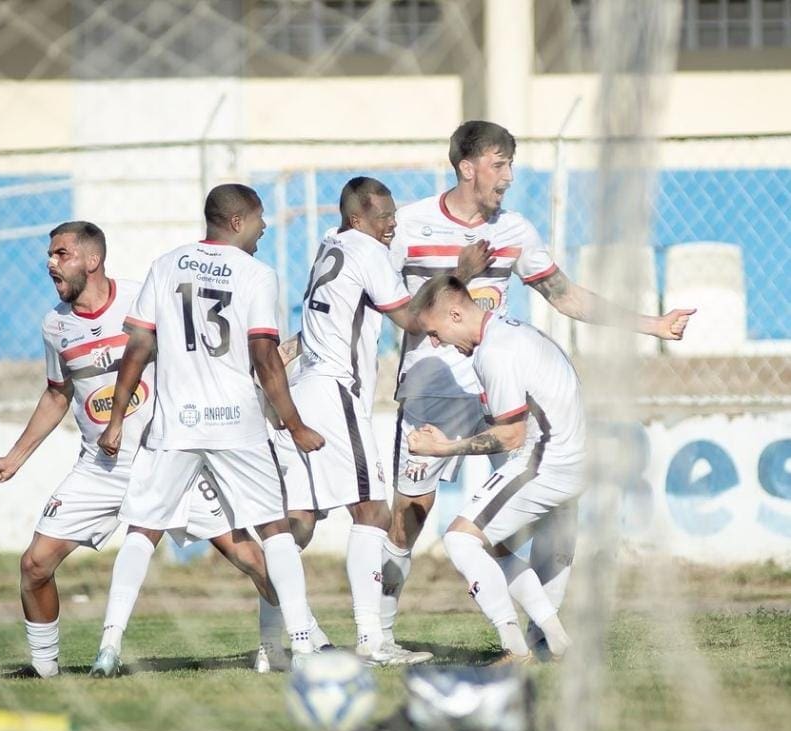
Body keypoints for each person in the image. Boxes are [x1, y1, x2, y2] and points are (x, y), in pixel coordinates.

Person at [382, 120, 696, 647]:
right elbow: (387, 304)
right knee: (411, 514)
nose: (508, 176)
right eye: (498, 164)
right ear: (466, 167)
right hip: (434, 387)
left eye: (511, 163)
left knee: (548, 512)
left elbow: (565, 295)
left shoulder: (515, 230)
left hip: (504, 390)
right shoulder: (410, 225)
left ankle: (541, 636)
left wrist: (651, 323)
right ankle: (379, 635)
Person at [0, 221, 281, 678]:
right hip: (102, 466)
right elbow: (57, 394)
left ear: (92, 260)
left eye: (61, 254)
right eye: (51, 255)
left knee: (251, 558)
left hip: (169, 458)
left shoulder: (143, 297)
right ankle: (44, 673)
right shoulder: (55, 326)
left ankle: (277, 646)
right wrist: (14, 458)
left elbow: (205, 352)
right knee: (34, 564)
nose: (50, 264)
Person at [97, 184, 325, 670]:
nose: (266, 227)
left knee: (143, 529)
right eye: (261, 219)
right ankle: (303, 643)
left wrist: (116, 421)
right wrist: (295, 424)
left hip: (176, 423)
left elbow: (137, 349)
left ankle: (109, 645)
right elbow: (264, 355)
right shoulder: (257, 274)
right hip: (235, 423)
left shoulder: (166, 264)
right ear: (238, 221)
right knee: (274, 529)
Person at [274, 177, 488, 665]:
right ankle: (373, 641)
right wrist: (462, 273)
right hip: (335, 393)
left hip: (308, 388)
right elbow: (414, 319)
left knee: (298, 525)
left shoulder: (330, 247)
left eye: (394, 214)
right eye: (382, 216)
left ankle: (286, 632)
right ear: (356, 219)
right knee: (371, 511)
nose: (392, 223)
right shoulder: (366, 251)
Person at [406, 274, 584, 662]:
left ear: (455, 314)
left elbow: (511, 436)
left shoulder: (494, 352)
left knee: (460, 539)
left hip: (545, 462)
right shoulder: (512, 331)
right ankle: (556, 641)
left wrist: (443, 448)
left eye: (435, 333)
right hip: (567, 458)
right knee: (496, 544)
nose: (436, 344)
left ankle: (513, 648)